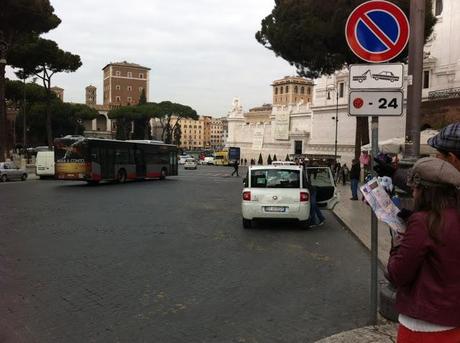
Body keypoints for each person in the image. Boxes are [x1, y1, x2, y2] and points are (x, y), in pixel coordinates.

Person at [387, 157, 460, 342]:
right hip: (453, 322)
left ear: (426, 192)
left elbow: (398, 274)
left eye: (415, 189)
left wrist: (397, 245)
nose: (413, 194)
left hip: (422, 327)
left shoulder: (423, 221)